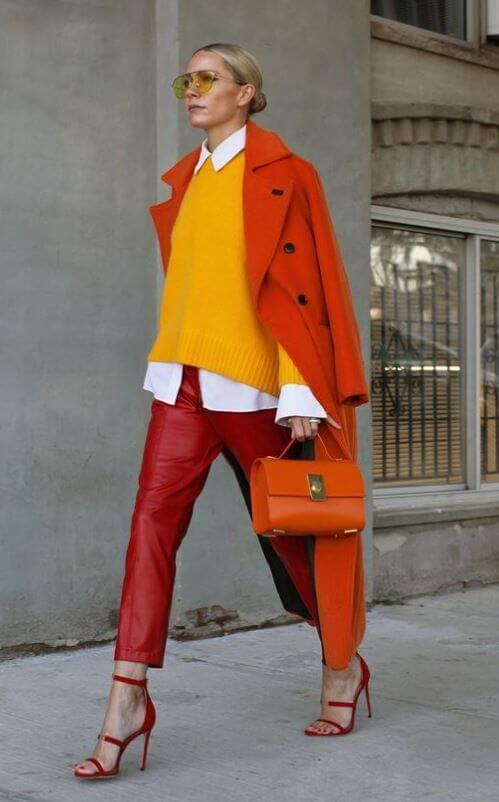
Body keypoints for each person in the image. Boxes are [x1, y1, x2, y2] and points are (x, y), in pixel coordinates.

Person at [74, 42, 371, 780]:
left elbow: (312, 286)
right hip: (181, 381)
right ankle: (126, 700)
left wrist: (303, 388)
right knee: (150, 528)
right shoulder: (186, 183)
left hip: (259, 390)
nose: (191, 89)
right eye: (187, 79)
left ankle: (340, 664)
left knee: (293, 537)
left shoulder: (284, 175)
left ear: (246, 93)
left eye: (208, 78)